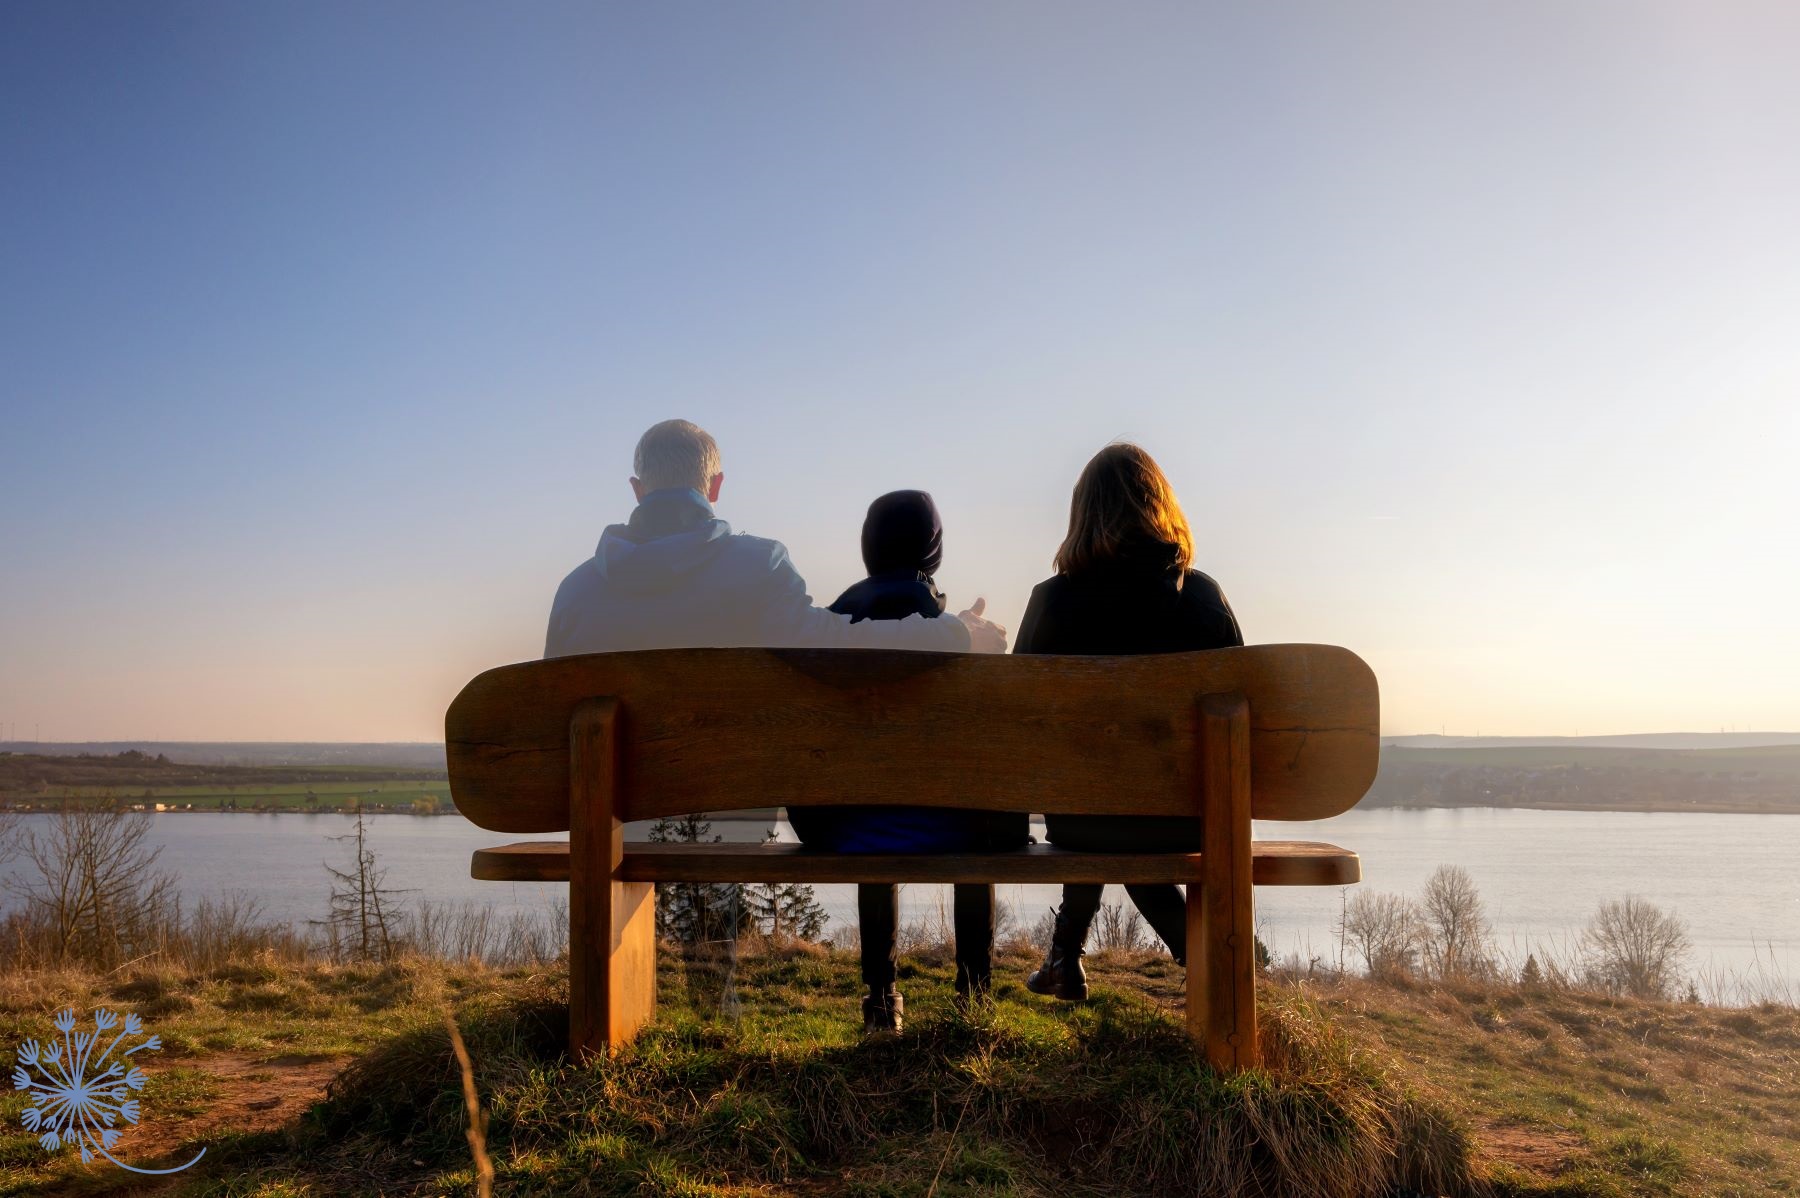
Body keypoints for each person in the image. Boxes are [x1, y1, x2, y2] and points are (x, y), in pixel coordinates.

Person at [784, 490, 1029, 1035]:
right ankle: (974, 993)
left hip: (840, 826)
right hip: (955, 827)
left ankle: (880, 995)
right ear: (932, 551)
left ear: (868, 548)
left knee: (871, 794)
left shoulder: (830, 626)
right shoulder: (960, 636)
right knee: (970, 796)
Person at [1015, 443, 1243, 1001]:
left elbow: (1018, 726)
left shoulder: (1050, 603)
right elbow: (1245, 709)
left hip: (1081, 818)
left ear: (1081, 513)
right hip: (1187, 817)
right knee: (1126, 804)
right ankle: (1200, 961)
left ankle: (1065, 959)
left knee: (1102, 799)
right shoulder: (1202, 598)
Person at [545, 420, 1007, 657]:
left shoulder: (575, 592)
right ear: (716, 485)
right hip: (730, 821)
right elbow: (836, 648)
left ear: (637, 489)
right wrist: (958, 633)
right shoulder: (758, 567)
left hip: (608, 828)